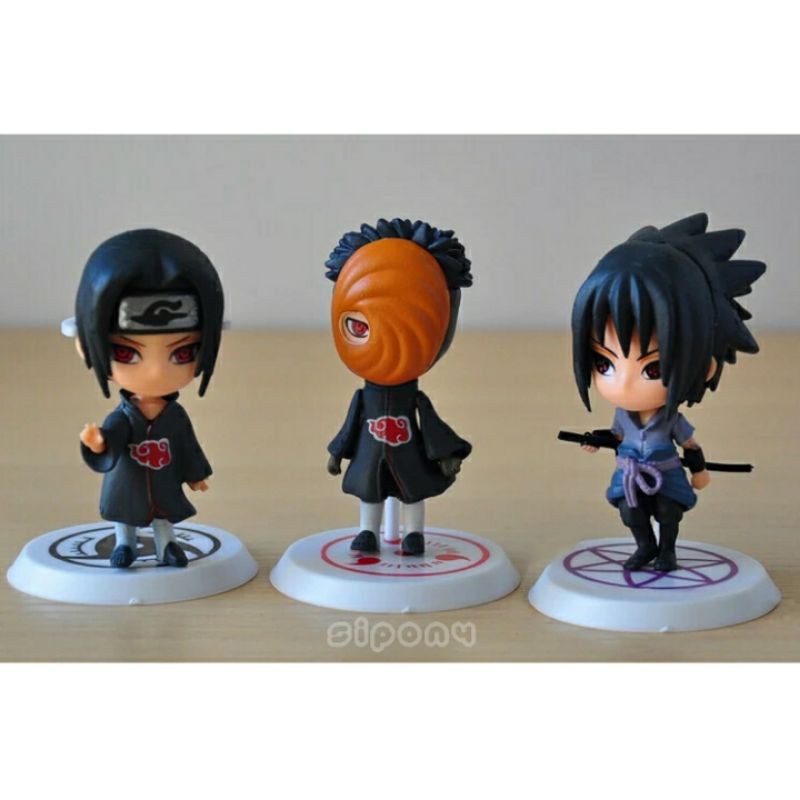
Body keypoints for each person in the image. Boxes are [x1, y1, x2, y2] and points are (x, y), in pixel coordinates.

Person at [571, 213, 765, 571]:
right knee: (630, 511)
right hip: (629, 474)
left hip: (666, 474)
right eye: (604, 364)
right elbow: (616, 436)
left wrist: (699, 471)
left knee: (668, 511)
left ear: (704, 366)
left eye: (652, 369)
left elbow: (690, 445)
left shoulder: (670, 418)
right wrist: (596, 440)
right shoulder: (622, 416)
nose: (623, 384)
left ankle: (667, 551)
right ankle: (645, 547)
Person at [75, 229, 224, 568]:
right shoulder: (122, 418)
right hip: (126, 480)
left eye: (182, 352)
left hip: (164, 479)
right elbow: (110, 442)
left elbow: (187, 445)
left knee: (164, 512)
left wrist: (195, 474)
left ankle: (167, 545)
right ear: (85, 345)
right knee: (125, 512)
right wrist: (98, 443)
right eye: (126, 353)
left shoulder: (175, 417)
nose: (156, 372)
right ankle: (124, 545)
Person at [325, 218, 473, 556]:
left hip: (408, 455)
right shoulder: (364, 397)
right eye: (360, 327)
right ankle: (367, 532)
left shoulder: (414, 398)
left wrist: (446, 454)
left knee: (413, 494)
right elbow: (350, 426)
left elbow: (431, 425)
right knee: (370, 494)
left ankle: (414, 534)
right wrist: (338, 451)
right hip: (370, 455)